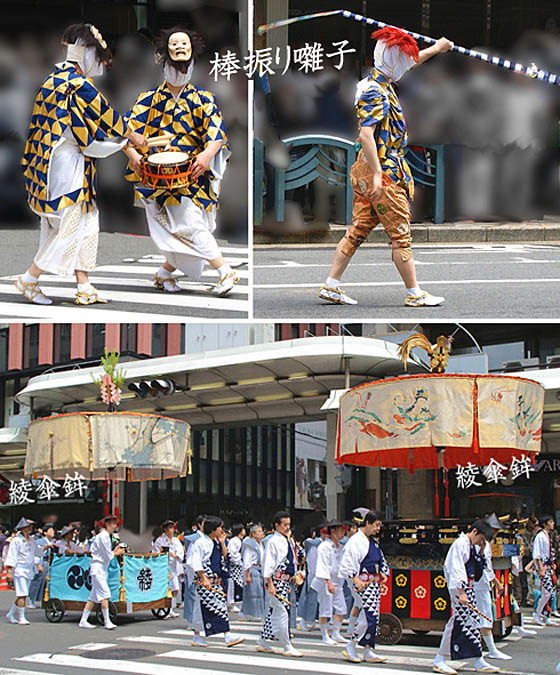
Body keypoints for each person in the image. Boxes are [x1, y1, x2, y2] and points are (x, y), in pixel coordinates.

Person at [318, 27, 453, 307]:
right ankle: (414, 293)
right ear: (393, 62)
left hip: (370, 170)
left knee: (357, 230)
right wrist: (379, 174)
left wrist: (438, 49)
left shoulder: (380, 82)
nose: (408, 63)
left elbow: (409, 63)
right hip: (384, 172)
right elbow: (366, 134)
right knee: (400, 236)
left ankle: (331, 285)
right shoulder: (375, 92)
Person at [15, 23, 145, 305]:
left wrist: (124, 143)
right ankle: (30, 278)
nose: (100, 63)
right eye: (98, 56)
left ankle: (83, 285)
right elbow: (104, 114)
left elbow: (86, 124)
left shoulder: (53, 79)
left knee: (86, 221)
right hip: (65, 164)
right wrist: (131, 135)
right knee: (70, 224)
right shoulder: (76, 84)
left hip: (55, 161)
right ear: (85, 52)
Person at [123, 26, 239, 297]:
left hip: (193, 175)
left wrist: (207, 155)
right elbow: (126, 133)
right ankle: (225, 271)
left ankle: (164, 274)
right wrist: (136, 158)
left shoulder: (203, 99)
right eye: (173, 51)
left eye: (184, 50)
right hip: (159, 179)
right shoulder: (148, 100)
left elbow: (217, 134)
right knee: (190, 225)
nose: (179, 58)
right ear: (163, 59)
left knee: (195, 228)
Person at [432, 519, 498, 675]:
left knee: (472, 623)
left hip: (467, 588)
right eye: (481, 539)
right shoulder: (460, 544)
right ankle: (439, 658)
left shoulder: (470, 545)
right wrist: (461, 592)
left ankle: (478, 658)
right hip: (459, 588)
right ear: (474, 532)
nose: (481, 543)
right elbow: (456, 569)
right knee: (457, 622)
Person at [338, 509, 389, 664]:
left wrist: (383, 571)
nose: (378, 528)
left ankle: (367, 649)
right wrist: (355, 579)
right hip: (361, 583)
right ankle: (351, 645)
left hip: (372, 583)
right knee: (368, 617)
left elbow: (380, 559)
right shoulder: (356, 541)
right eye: (376, 525)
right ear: (367, 523)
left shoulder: (372, 541)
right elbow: (346, 564)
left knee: (374, 617)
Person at [187, 515, 244, 648]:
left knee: (220, 607)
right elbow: (195, 562)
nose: (222, 530)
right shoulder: (200, 543)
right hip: (205, 581)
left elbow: (225, 557)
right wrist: (204, 578)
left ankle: (227, 635)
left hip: (215, 581)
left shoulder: (216, 542)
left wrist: (223, 542)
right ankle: (197, 635)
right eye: (220, 528)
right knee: (201, 610)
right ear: (213, 529)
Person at [256, 511, 302, 657]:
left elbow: (293, 560)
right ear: (277, 525)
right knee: (282, 612)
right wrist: (269, 583)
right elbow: (268, 563)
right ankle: (287, 644)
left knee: (273, 611)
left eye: (289, 524)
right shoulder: (273, 541)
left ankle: (263, 640)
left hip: (285, 580)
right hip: (276, 580)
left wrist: (293, 576)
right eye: (285, 525)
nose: (288, 527)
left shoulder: (289, 540)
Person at [474, 514, 511, 661]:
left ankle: (488, 650)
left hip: (480, 584)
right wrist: (496, 582)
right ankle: (490, 649)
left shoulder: (484, 544)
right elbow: (485, 566)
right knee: (484, 615)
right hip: (478, 585)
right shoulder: (482, 544)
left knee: (482, 616)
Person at [79, 514, 125, 630]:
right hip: (98, 568)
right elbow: (108, 555)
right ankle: (107, 621)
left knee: (93, 597)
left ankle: (83, 620)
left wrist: (114, 551)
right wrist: (116, 553)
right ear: (107, 524)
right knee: (105, 594)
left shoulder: (104, 536)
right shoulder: (103, 536)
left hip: (100, 568)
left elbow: (107, 553)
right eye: (113, 524)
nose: (115, 526)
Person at [311, 519, 348, 644]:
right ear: (333, 532)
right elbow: (323, 566)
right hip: (325, 580)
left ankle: (336, 633)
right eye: (341, 531)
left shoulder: (341, 547)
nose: (343, 533)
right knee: (325, 608)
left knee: (341, 608)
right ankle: (324, 635)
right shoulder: (324, 547)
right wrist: (328, 582)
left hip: (337, 580)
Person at [4, 518, 38, 625]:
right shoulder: (16, 541)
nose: (30, 528)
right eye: (28, 526)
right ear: (22, 528)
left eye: (31, 526)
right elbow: (11, 556)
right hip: (19, 569)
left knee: (22, 594)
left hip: (29, 569)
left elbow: (36, 552)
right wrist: (9, 571)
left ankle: (11, 613)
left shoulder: (32, 540)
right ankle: (21, 617)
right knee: (22, 593)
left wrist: (47, 547)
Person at [152, 520, 185, 618]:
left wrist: (174, 555)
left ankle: (171, 608)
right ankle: (162, 608)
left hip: (173, 567)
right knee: (164, 589)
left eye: (172, 528)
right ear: (165, 530)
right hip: (163, 567)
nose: (171, 530)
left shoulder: (176, 540)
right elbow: (155, 553)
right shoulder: (160, 540)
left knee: (175, 589)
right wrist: (162, 553)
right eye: (169, 528)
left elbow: (180, 553)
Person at [532, 514, 556, 626]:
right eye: (550, 522)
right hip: (543, 568)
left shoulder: (546, 535)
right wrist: (541, 569)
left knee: (550, 592)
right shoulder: (540, 536)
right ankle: (537, 614)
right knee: (547, 592)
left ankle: (545, 615)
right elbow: (536, 555)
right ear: (545, 524)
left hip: (547, 567)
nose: (553, 524)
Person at [183, 515, 205, 636]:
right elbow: (191, 556)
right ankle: (191, 621)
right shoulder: (195, 538)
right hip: (194, 569)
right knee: (192, 595)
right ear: (199, 525)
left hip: (203, 569)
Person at [296, 527, 321, 631]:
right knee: (311, 599)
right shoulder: (314, 545)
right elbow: (312, 565)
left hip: (320, 576)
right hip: (314, 576)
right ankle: (304, 621)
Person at [28, 523, 56, 609]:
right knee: (37, 581)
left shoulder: (53, 542)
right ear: (45, 532)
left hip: (50, 562)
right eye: (50, 530)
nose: (52, 532)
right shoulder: (40, 542)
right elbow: (36, 554)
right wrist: (38, 565)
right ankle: (31, 600)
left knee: (46, 583)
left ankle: (43, 600)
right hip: (42, 561)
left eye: (53, 530)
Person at [241, 523, 266, 620]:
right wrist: (247, 574)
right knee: (253, 592)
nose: (261, 533)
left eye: (261, 531)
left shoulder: (262, 544)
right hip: (253, 569)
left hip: (260, 569)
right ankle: (250, 613)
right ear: (253, 534)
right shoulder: (249, 544)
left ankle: (257, 612)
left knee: (259, 593)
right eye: (259, 531)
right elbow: (247, 560)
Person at [227, 523, 246, 614]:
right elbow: (232, 554)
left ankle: (238, 603)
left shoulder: (239, 540)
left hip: (240, 566)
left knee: (239, 584)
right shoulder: (234, 541)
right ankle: (233, 603)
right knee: (235, 585)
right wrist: (239, 560)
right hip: (235, 567)